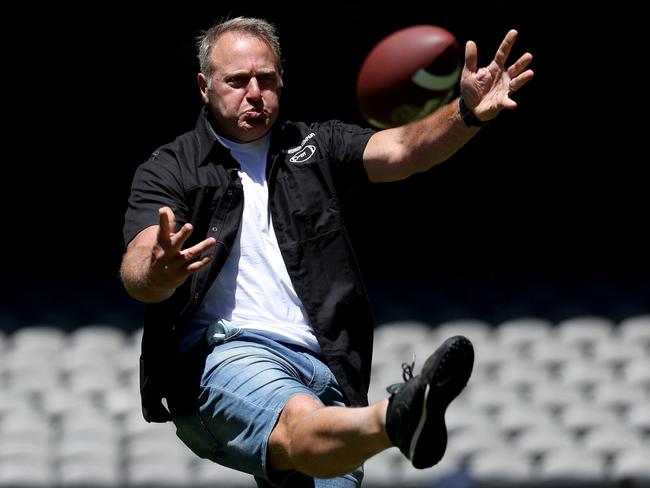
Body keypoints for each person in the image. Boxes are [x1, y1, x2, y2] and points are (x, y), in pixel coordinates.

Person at [120, 16, 533, 487]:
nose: (254, 93)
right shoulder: (169, 168)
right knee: (299, 426)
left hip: (328, 371)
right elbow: (138, 267)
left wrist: (467, 113)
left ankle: (391, 418)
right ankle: (396, 415)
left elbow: (403, 148)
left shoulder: (314, 145)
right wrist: (160, 268)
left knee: (316, 446)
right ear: (204, 86)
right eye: (237, 81)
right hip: (228, 354)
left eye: (267, 79)